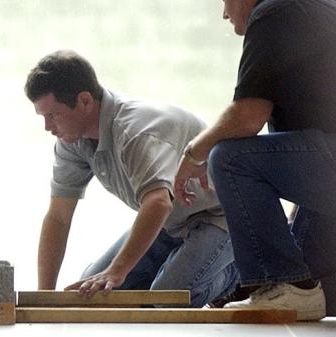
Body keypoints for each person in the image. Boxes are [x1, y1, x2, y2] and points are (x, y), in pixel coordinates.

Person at [175, 0, 336, 321]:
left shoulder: (274, 11)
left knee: (229, 158)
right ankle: (291, 287)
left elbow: (248, 117)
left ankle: (277, 281)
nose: (224, 12)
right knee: (310, 288)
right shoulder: (321, 8)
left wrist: (192, 153)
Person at [26, 50, 237, 307]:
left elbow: (158, 203)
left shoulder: (135, 131)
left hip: (225, 216)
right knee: (92, 295)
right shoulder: (71, 140)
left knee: (166, 301)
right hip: (173, 223)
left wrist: (117, 271)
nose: (47, 127)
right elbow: (58, 217)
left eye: (53, 115)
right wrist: (43, 298)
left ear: (84, 101)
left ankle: (240, 276)